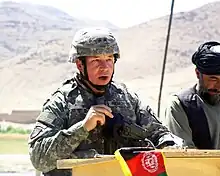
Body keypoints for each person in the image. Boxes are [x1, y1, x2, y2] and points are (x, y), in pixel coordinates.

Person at [28, 27, 183, 176]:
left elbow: (159, 133)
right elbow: (39, 158)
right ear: (80, 64)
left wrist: (168, 144)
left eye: (109, 59)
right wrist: (82, 128)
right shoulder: (61, 102)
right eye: (96, 60)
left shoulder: (128, 98)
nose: (105, 68)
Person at [163, 41, 220, 149]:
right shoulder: (181, 105)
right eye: (213, 78)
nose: (219, 85)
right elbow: (185, 154)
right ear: (198, 74)